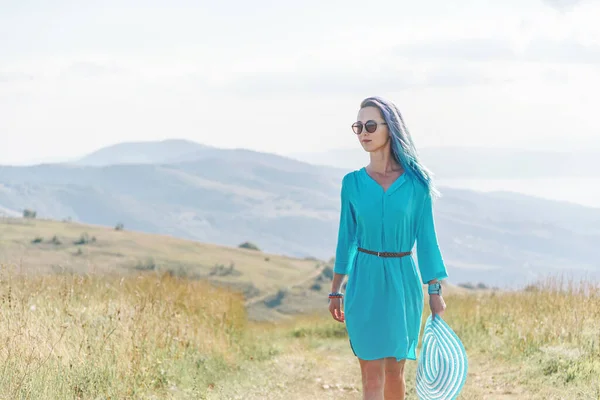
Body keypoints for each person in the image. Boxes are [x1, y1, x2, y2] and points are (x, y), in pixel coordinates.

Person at [328, 96, 448, 400]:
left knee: (395, 374)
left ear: (390, 129)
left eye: (370, 125)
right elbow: (346, 239)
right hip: (363, 282)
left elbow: (428, 241)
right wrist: (335, 289)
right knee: (370, 376)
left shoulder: (417, 185)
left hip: (402, 283)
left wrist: (435, 293)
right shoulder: (352, 183)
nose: (363, 132)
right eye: (358, 126)